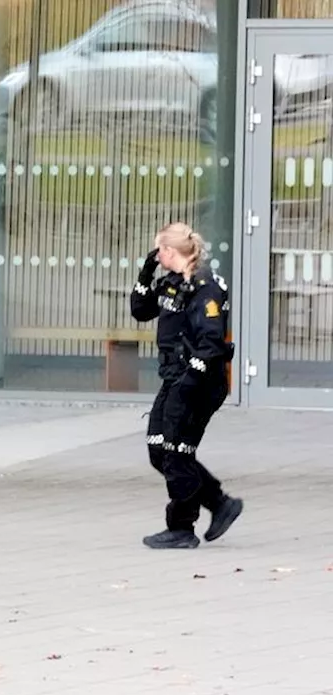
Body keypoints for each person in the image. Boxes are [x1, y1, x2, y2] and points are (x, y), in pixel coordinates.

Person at [130, 221, 243, 549]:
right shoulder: (172, 282)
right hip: (174, 378)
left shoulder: (205, 285)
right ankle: (220, 503)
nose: (156, 255)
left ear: (169, 250)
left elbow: (211, 342)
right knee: (159, 450)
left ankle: (181, 528)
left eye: (158, 250)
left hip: (198, 381)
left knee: (176, 451)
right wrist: (145, 273)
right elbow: (141, 311)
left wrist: (188, 382)